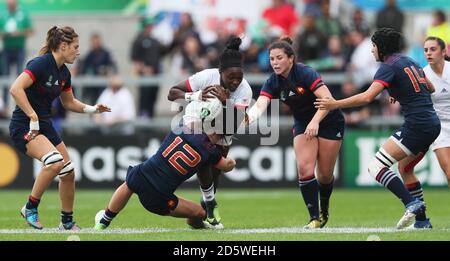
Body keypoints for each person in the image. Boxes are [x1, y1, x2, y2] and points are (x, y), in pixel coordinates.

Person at [315, 28, 440, 229]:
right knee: (405, 169)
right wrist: (399, 90)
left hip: (417, 125)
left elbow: (367, 97)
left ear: (381, 47)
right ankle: (422, 221)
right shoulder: (411, 62)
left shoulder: (388, 67)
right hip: (432, 124)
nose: (372, 50)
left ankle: (411, 202)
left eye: (373, 46)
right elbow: (430, 87)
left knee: (376, 167)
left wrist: (334, 104)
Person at [9, 26, 111, 230]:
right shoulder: (41, 64)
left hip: (44, 125)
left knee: (68, 172)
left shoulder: (64, 72)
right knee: (55, 162)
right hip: (25, 126)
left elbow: (69, 102)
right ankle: (30, 207)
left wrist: (93, 109)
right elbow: (15, 88)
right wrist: (32, 115)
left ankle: (66, 222)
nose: (78, 51)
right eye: (75, 47)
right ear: (63, 46)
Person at [246, 37, 345, 229]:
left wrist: (316, 121)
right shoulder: (272, 81)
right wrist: (245, 119)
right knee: (304, 168)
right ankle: (314, 218)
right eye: (272, 59)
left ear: (291, 58)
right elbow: (260, 104)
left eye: (279, 58)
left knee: (324, 175)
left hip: (329, 120)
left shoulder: (305, 73)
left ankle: (324, 210)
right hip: (302, 122)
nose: (274, 62)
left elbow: (328, 99)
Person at [94, 98, 236, 230]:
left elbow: (196, 119)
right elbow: (226, 166)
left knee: (129, 182)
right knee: (200, 213)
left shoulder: (183, 127)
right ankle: (199, 226)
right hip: (159, 197)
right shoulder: (211, 152)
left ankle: (104, 221)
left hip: (142, 175)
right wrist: (232, 160)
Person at [168, 36, 252, 228]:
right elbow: (172, 93)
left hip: (225, 124)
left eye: (239, 77)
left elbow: (231, 125)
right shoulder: (206, 76)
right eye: (231, 77)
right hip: (195, 122)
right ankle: (210, 204)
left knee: (214, 174)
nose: (236, 81)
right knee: (203, 154)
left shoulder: (244, 90)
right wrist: (195, 95)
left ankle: (205, 207)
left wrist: (225, 103)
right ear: (220, 72)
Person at [423, 36, 450, 187]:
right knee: (449, 173)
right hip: (440, 127)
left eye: (433, 49)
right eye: (426, 50)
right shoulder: (423, 75)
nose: (428, 53)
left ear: (444, 51)